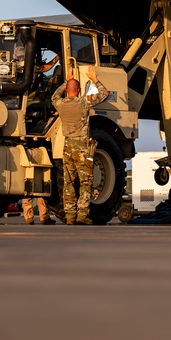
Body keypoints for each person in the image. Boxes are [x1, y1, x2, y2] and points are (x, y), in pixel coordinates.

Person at [51, 65, 109, 224]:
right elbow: (104, 94)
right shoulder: (83, 102)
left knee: (68, 182)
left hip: (67, 146)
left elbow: (53, 97)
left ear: (68, 90)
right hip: (82, 147)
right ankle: (82, 215)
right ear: (78, 90)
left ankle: (70, 217)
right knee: (85, 182)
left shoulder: (60, 103)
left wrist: (66, 81)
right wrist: (94, 79)